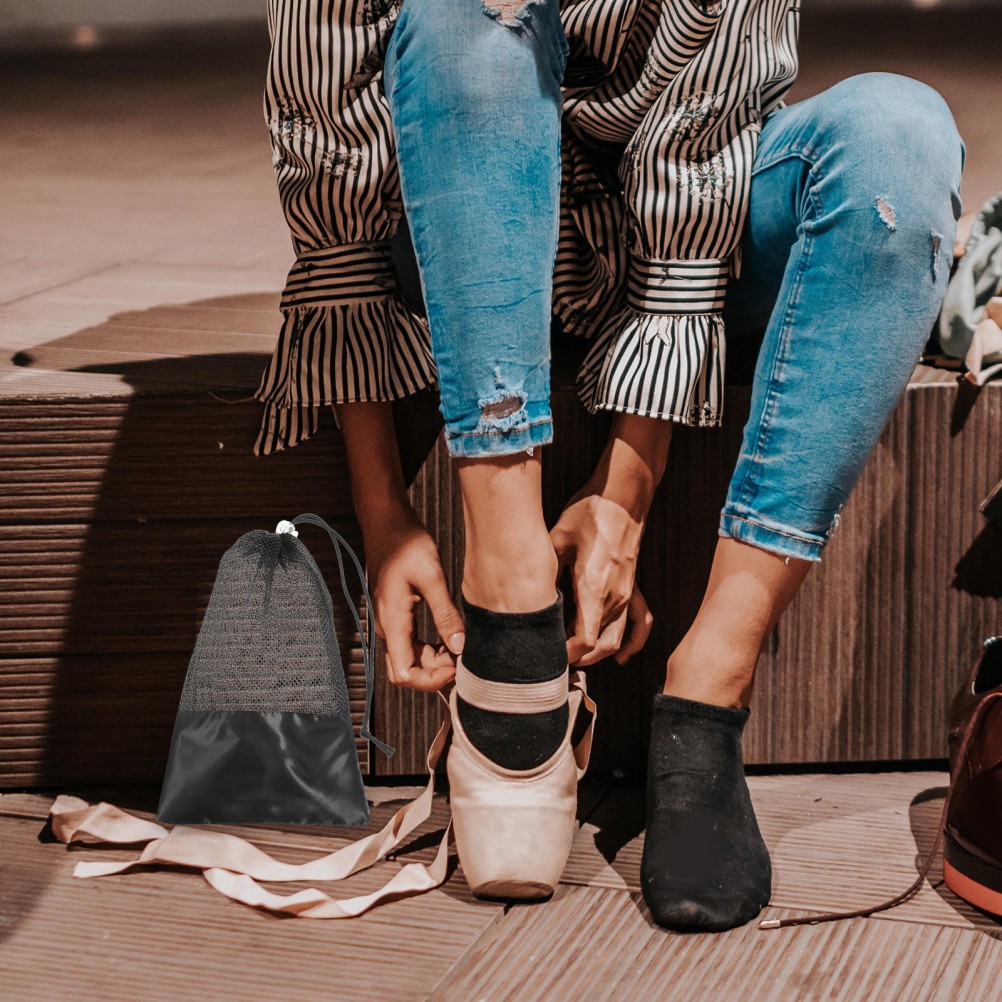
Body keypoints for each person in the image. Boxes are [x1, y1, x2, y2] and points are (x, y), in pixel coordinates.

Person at [251, 0, 964, 931]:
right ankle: (512, 602)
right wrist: (381, 507)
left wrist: (626, 491)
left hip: (692, 233)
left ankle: (707, 695)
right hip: (462, 215)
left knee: (900, 134)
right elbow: (333, 163)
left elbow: (699, 146)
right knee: (468, 14)